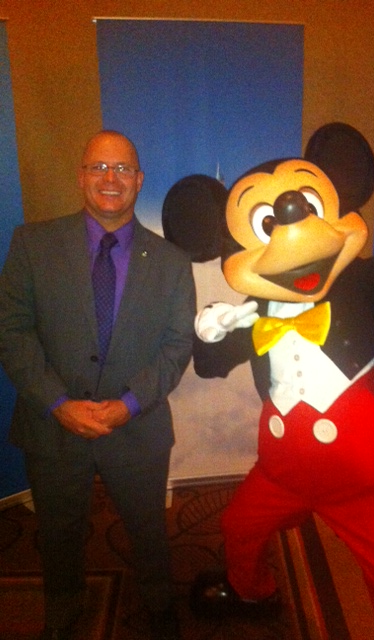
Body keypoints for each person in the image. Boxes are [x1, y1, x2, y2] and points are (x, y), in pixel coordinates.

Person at [0, 130, 196, 640]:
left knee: (148, 532)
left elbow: (177, 346)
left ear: (139, 180)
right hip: (53, 425)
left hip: (137, 426)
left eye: (123, 168)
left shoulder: (173, 263)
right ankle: (63, 607)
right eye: (99, 167)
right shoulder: (32, 244)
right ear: (81, 176)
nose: (111, 178)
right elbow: (12, 332)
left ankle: (160, 607)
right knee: (57, 532)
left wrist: (129, 403)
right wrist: (57, 403)